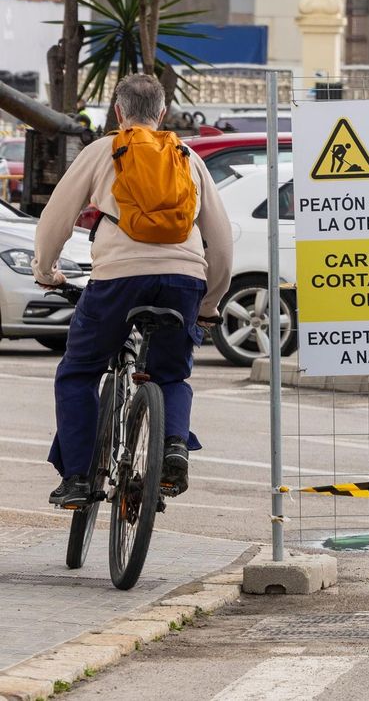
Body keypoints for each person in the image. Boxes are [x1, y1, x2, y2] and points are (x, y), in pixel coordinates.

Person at [32, 74, 232, 508]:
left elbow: (55, 219)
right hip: (184, 279)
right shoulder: (188, 158)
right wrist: (209, 304)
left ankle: (79, 477)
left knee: (79, 371)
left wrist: (46, 271)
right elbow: (222, 240)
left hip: (117, 279)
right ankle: (174, 444)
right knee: (172, 373)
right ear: (163, 114)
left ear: (118, 113)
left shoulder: (103, 150)